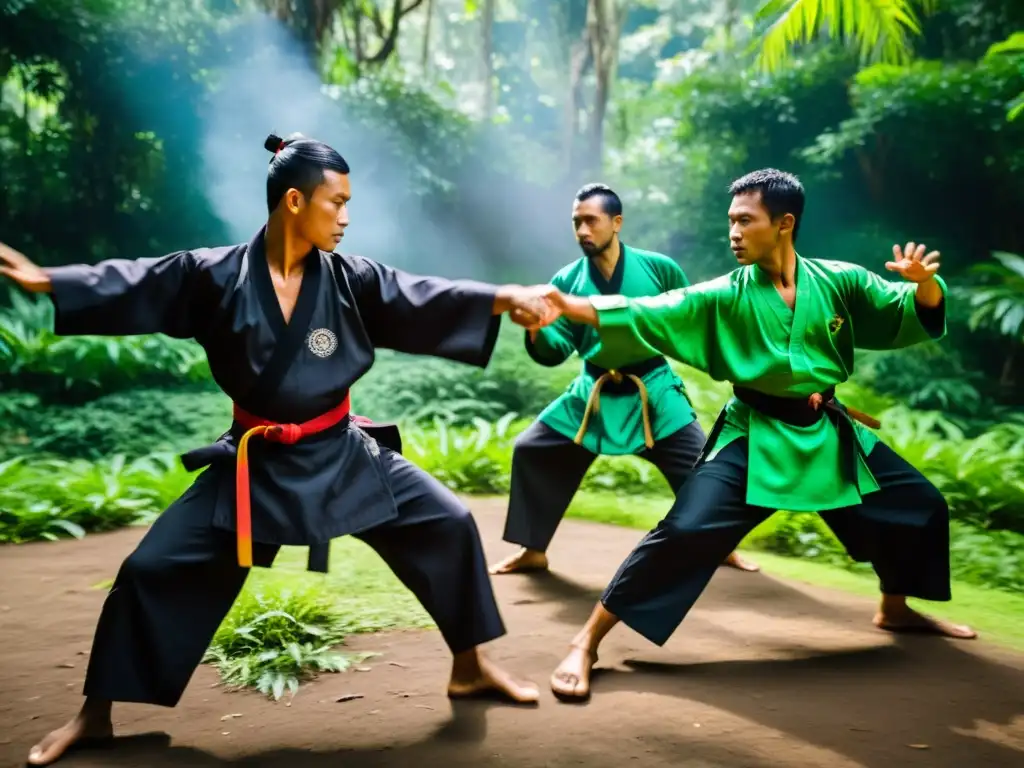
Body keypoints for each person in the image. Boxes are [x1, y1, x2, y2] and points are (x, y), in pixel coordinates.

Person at [2, 132, 553, 766]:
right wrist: (47, 282)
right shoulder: (211, 276)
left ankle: (469, 667)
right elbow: (136, 282)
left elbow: (423, 295)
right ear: (294, 201)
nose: (345, 218)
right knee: (151, 569)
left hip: (342, 453)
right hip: (253, 464)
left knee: (447, 523)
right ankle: (94, 715)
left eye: (349, 204)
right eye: (335, 203)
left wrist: (504, 297)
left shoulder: (351, 279)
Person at [533, 168, 977, 702]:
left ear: (785, 223)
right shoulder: (726, 293)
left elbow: (903, 308)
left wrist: (924, 284)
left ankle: (895, 609)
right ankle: (586, 641)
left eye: (746, 220)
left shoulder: (839, 280)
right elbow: (647, 310)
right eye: (731, 221)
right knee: (685, 530)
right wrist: (566, 306)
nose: (734, 232)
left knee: (918, 503)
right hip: (755, 433)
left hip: (826, 430)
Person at [489, 183, 757, 575]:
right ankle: (534, 550)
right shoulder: (566, 280)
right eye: (576, 222)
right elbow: (557, 345)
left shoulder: (659, 268)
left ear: (616, 223)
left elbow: (686, 319)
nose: (583, 231)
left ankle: (722, 547)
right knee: (532, 449)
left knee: (703, 468)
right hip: (591, 393)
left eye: (591, 221)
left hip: (652, 390)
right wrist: (535, 328)